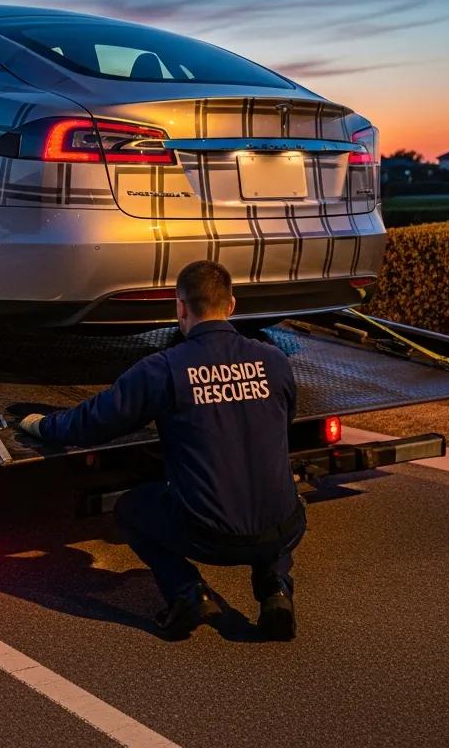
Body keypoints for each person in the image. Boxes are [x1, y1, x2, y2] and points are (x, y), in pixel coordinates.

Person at [19, 260, 305, 641]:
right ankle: (275, 590)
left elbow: (93, 423)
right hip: (283, 528)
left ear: (181, 308)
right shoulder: (274, 361)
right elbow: (282, 428)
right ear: (232, 305)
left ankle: (188, 593)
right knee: (277, 499)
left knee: (132, 510)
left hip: (208, 536)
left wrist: (40, 425)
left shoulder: (165, 368)